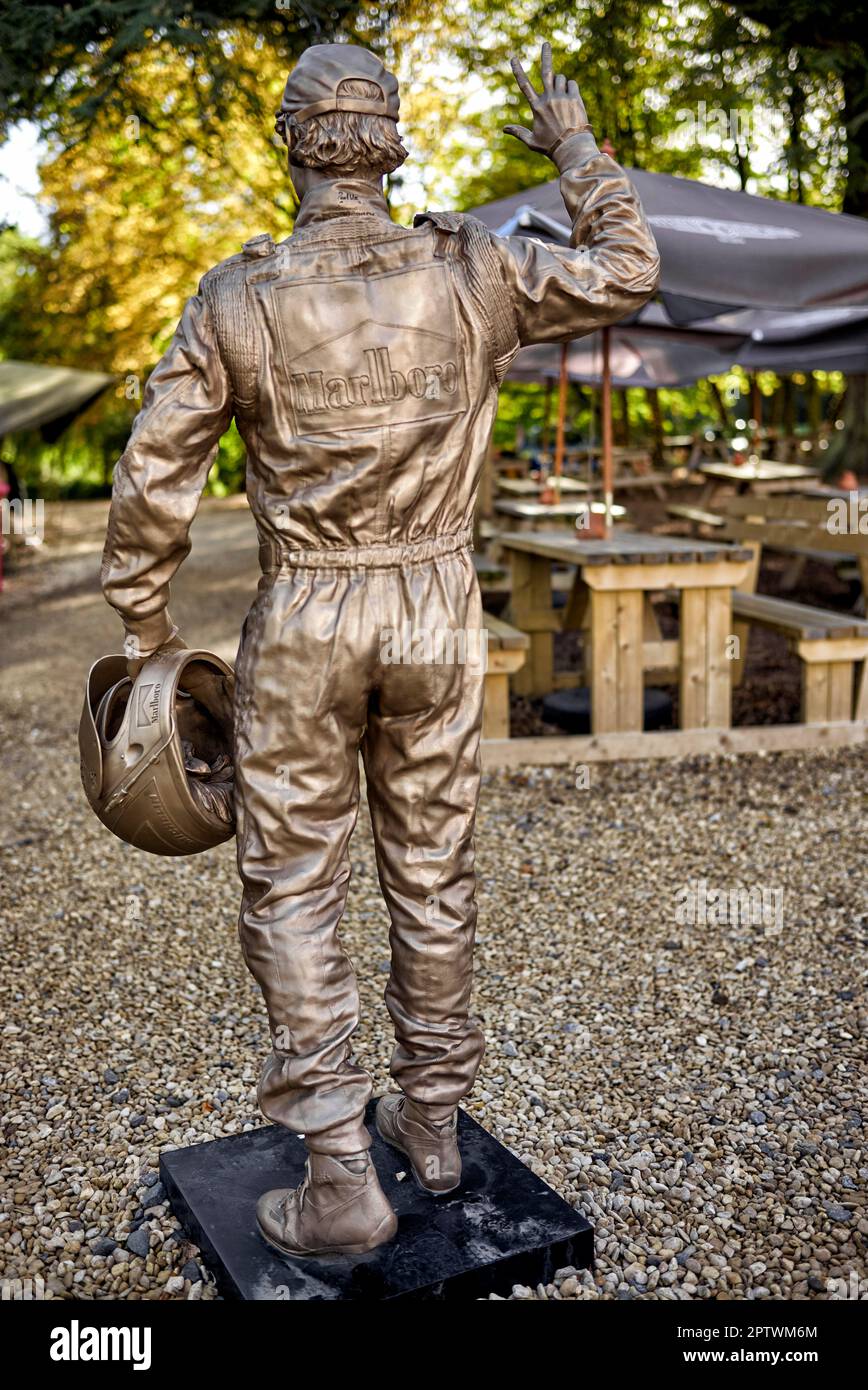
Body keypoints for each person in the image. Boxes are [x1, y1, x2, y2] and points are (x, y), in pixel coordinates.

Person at [100, 39, 660, 1258]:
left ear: (292, 142)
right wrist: (575, 151)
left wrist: (145, 628)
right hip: (435, 606)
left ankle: (344, 1170)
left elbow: (155, 472)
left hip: (306, 611)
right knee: (432, 863)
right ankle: (438, 1118)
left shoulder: (236, 295)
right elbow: (628, 267)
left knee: (294, 878)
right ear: (390, 140)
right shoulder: (473, 266)